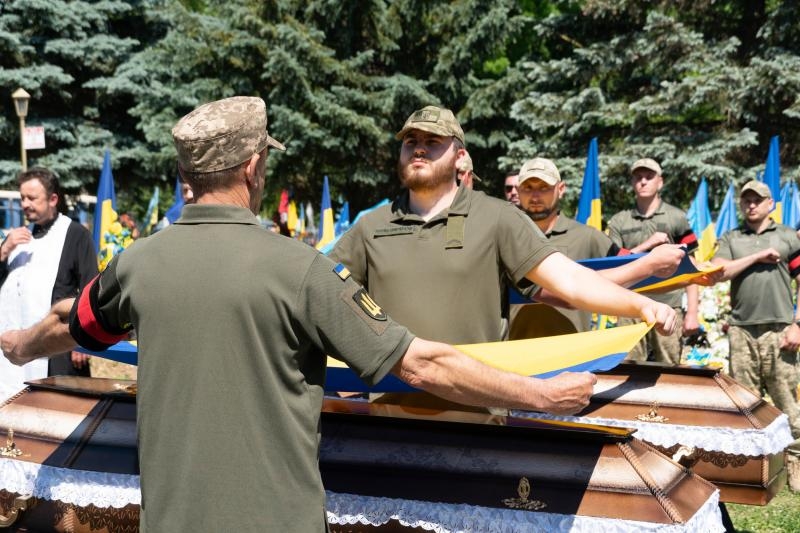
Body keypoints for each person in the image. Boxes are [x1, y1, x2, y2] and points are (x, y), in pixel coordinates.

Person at [0, 96, 607, 532]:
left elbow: (70, 324)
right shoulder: (302, 270)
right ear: (252, 169)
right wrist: (539, 396)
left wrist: (19, 344)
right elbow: (420, 362)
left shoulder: (137, 265)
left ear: (186, 174)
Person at [330, 105, 677, 349]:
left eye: (433, 141)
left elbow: (569, 282)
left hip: (478, 418)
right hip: (387, 416)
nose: (419, 148)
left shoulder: (498, 218)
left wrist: (640, 305)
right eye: (411, 141)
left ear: (460, 156)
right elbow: (319, 287)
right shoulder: (371, 227)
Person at [510, 157, 688, 338]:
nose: (535, 196)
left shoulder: (587, 236)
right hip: (511, 352)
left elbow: (628, 266)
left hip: (573, 354)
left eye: (543, 188)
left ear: (561, 189)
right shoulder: (506, 237)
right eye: (528, 188)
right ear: (518, 191)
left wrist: (692, 274)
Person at [711, 179, 800, 490]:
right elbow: (717, 272)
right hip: (741, 330)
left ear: (770, 204)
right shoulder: (732, 238)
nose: (751, 204)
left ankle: (795, 465)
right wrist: (755, 258)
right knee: (745, 406)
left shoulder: (788, 236)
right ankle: (752, 470)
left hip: (779, 328)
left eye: (757, 199)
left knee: (786, 401)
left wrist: (798, 324)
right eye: (746, 199)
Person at [0, 167, 96, 400]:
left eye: (32, 198)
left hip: (56, 349)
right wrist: (4, 250)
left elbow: (89, 287)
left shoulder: (75, 235)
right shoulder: (17, 236)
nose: (24, 204)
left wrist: (82, 343)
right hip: (11, 348)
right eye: (22, 197)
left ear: (53, 199)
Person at [607, 158, 701, 364]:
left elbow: (691, 267)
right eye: (638, 177)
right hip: (628, 305)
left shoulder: (676, 217)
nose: (643, 181)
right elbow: (613, 263)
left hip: (668, 306)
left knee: (669, 369)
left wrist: (692, 312)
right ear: (632, 182)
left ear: (660, 182)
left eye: (649, 177)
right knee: (626, 368)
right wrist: (647, 245)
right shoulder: (619, 220)